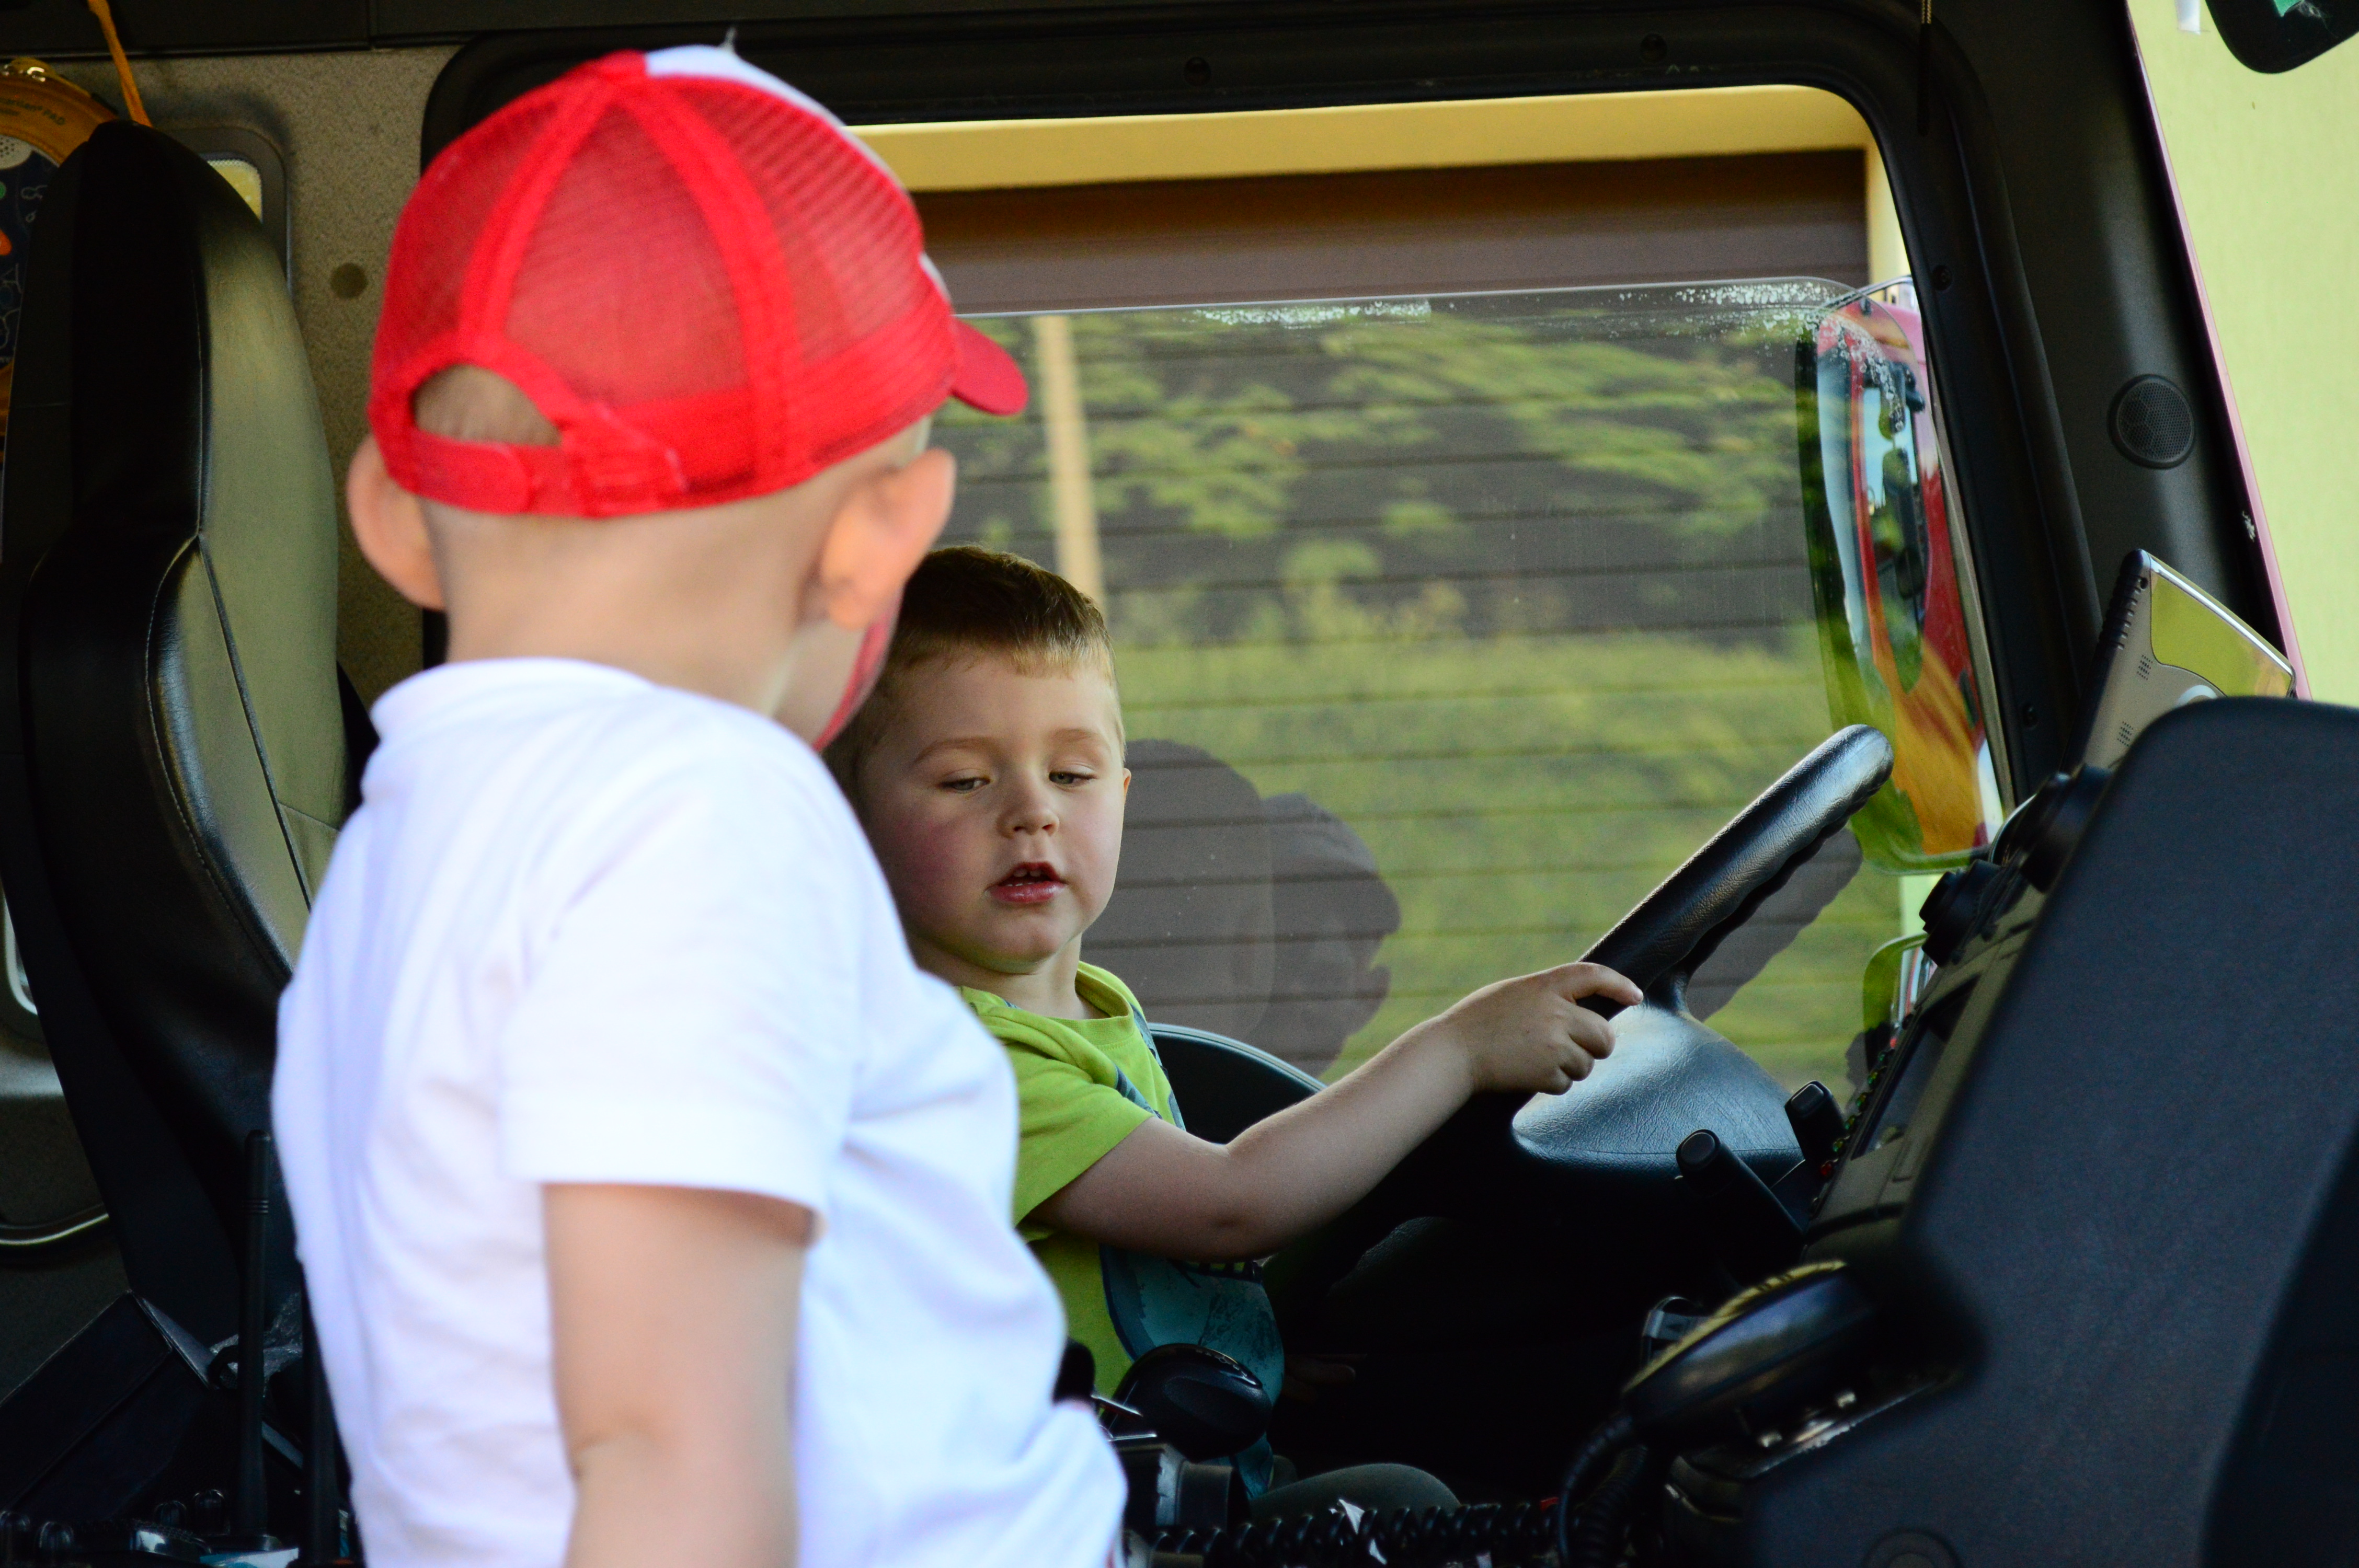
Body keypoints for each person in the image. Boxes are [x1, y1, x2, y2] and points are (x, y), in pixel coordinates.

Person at [271, 50, 1123, 1568]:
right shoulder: (699, 819)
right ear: (878, 546)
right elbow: (667, 1446)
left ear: (392, 517)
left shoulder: (399, 843)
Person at [826, 545, 1641, 1514]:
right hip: (1077, 1528)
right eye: (965, 781)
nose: (1032, 812)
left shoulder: (1091, 1007)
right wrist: (1459, 1049)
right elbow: (1230, 1205)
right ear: (849, 823)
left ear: (1120, 798)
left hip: (1172, 1482)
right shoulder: (951, 1061)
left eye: (1073, 773)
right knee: (1414, 1503)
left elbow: (1145, 1252)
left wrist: (1239, 1343)